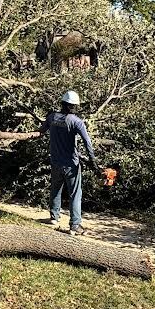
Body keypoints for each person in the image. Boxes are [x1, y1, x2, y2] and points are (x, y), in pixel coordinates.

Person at [40, 90, 101, 235]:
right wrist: (94, 163)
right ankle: (75, 225)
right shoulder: (76, 122)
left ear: (62, 103)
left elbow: (41, 130)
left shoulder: (52, 117)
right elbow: (87, 144)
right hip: (71, 165)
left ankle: (54, 217)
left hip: (55, 162)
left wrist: (48, 119)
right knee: (75, 194)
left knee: (55, 189)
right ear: (75, 106)